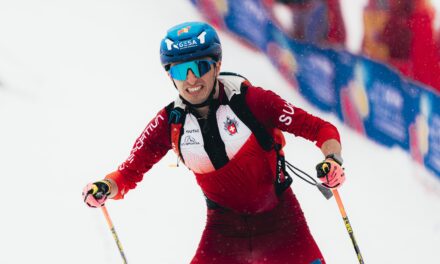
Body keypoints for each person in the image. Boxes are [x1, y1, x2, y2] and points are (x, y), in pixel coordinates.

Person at [82, 21, 345, 264]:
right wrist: (105, 186)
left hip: (282, 223)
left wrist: (332, 160)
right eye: (180, 70)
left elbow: (321, 129)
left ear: (217, 66)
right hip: (223, 234)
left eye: (200, 67)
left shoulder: (252, 101)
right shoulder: (169, 123)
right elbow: (128, 173)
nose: (191, 79)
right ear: (170, 76)